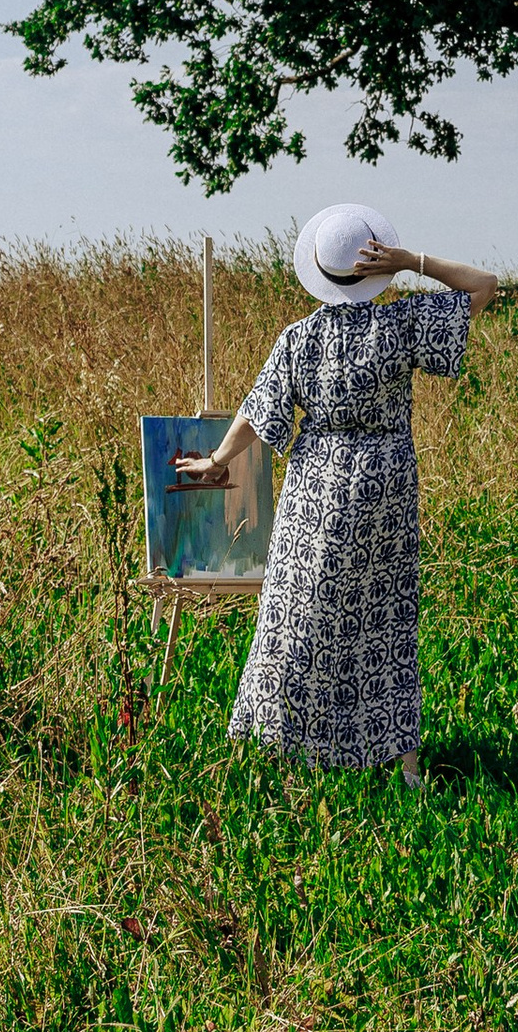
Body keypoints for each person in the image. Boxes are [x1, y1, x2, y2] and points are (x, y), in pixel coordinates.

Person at [170, 205, 497, 789]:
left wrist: (216, 460)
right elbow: (486, 286)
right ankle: (400, 759)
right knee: (384, 619)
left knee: (299, 613)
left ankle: (283, 739)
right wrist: (414, 262)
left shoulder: (299, 337)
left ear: (319, 271)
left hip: (314, 486)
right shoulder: (402, 324)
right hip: (385, 487)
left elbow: (257, 411)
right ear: (376, 268)